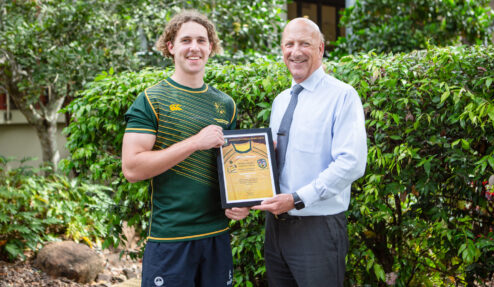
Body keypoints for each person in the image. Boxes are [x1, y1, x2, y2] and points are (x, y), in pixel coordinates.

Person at [121, 10, 249, 287]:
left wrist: (241, 203)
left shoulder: (226, 105)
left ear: (211, 48)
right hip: (171, 239)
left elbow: (233, 168)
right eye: (186, 40)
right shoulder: (151, 100)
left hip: (217, 235)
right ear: (171, 47)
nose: (195, 47)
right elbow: (132, 168)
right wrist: (194, 142)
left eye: (202, 41)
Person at [252, 18, 367, 287]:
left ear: (321, 48)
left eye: (305, 43)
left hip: (318, 228)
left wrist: (297, 199)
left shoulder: (343, 96)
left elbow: (351, 163)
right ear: (282, 50)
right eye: (289, 44)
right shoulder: (281, 100)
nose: (296, 51)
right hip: (276, 227)